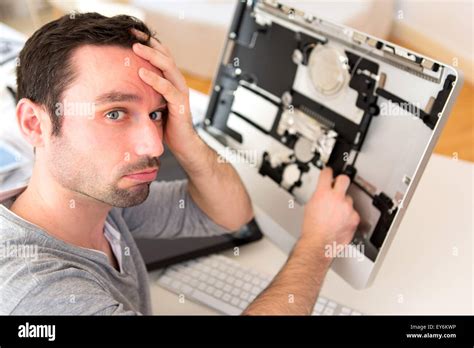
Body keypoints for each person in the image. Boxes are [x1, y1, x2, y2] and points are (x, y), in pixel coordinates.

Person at [0, 13, 359, 315]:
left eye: (156, 112)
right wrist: (318, 244)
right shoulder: (36, 291)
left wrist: (185, 135)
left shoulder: (98, 206)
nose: (154, 144)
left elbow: (230, 214)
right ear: (35, 124)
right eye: (114, 113)